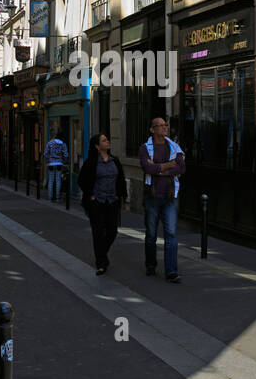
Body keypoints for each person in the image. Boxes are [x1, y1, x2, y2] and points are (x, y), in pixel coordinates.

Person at [139, 115, 185, 282]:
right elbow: (147, 167)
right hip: (152, 197)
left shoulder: (174, 146)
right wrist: (168, 165)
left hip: (170, 197)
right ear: (153, 129)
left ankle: (171, 271)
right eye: (161, 125)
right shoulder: (145, 148)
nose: (165, 128)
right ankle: (150, 265)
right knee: (151, 234)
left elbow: (181, 167)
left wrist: (159, 169)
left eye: (165, 125)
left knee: (171, 234)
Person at [78, 133, 127, 274]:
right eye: (104, 141)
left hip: (112, 201)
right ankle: (101, 262)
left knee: (112, 231)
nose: (108, 142)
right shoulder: (91, 163)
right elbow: (82, 180)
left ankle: (101, 253)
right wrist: (91, 196)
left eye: (107, 140)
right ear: (97, 146)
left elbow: (120, 179)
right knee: (98, 232)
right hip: (97, 202)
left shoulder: (114, 161)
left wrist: (120, 195)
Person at [43, 128, 68, 202]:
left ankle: (50, 196)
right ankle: (57, 197)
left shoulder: (50, 143)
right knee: (58, 181)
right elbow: (66, 155)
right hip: (59, 164)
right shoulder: (63, 144)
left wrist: (48, 161)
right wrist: (64, 161)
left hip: (51, 164)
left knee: (51, 180)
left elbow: (45, 154)